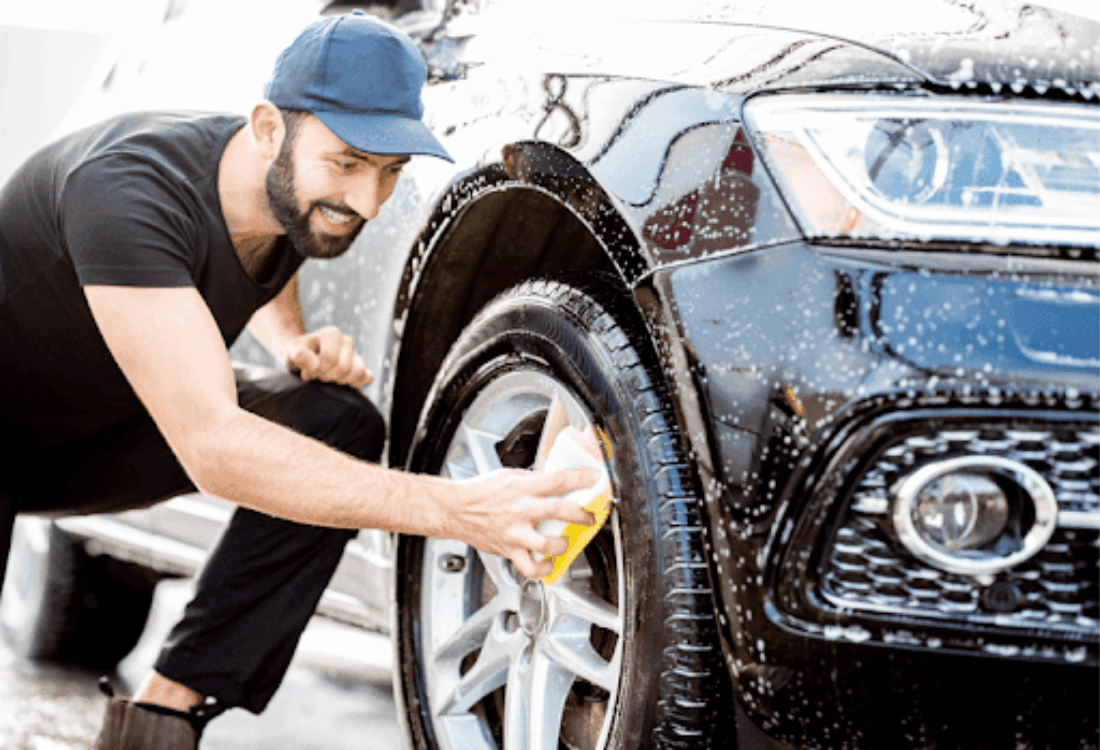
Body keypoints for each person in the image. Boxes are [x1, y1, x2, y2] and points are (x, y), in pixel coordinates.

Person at [0, 12, 597, 749]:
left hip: (94, 438)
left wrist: (287, 339)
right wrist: (458, 509)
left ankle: (162, 718)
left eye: (390, 172)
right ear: (267, 130)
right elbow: (213, 451)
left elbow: (262, 247)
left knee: (336, 423)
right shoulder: (126, 191)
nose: (369, 203)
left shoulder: (278, 190)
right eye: (347, 163)